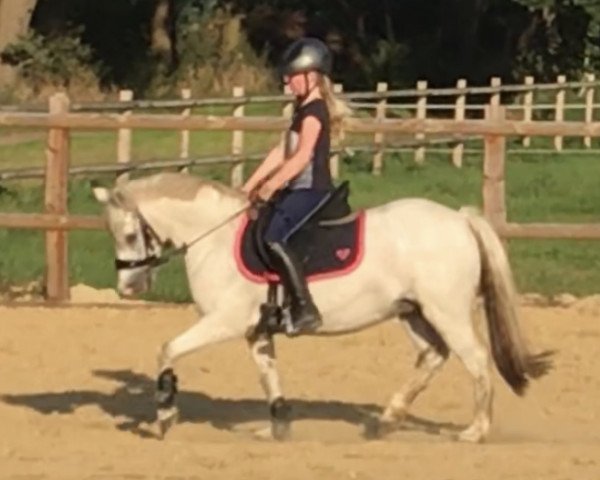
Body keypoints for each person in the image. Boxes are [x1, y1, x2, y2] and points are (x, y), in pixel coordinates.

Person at [241, 37, 345, 336]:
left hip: (312, 190)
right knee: (260, 226)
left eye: (293, 77)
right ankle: (274, 305)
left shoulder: (314, 112)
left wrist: (272, 185)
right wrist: (248, 186)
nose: (288, 83)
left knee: (274, 236)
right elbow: (281, 152)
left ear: (312, 77)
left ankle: (304, 308)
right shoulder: (302, 109)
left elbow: (301, 157)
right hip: (297, 188)